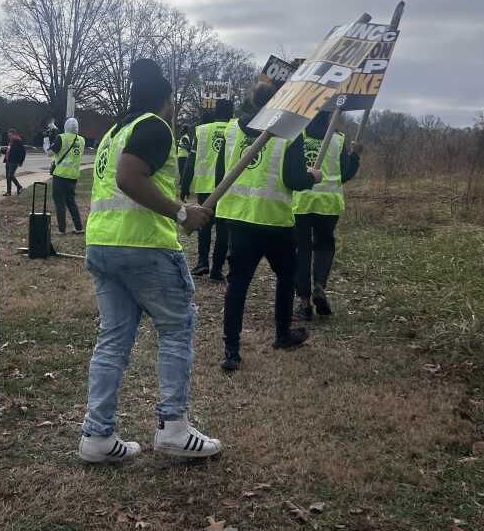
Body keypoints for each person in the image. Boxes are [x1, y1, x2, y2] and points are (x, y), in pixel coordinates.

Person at [79, 59, 221, 464]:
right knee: (176, 329)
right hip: (145, 248)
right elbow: (128, 177)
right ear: (166, 98)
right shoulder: (155, 127)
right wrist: (180, 213)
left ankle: (97, 436)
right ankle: (174, 427)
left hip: (103, 247)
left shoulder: (114, 131)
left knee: (113, 340)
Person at [212, 82, 322, 373]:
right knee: (287, 275)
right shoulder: (290, 132)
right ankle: (283, 334)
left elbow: (221, 175)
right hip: (273, 221)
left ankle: (231, 351)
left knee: (237, 286)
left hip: (237, 220)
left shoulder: (232, 130)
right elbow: (294, 180)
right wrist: (313, 176)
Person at [293, 110, 362, 321]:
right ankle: (319, 286)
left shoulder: (297, 136)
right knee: (324, 246)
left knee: (301, 251)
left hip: (301, 203)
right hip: (328, 204)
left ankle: (304, 304)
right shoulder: (338, 140)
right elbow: (345, 174)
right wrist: (355, 156)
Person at [184, 100, 234, 283]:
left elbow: (192, 158)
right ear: (232, 113)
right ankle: (217, 269)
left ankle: (202, 262)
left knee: (204, 226)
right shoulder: (236, 130)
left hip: (205, 185)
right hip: (226, 187)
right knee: (223, 230)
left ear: (215, 112)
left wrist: (185, 183)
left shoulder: (203, 130)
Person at [48, 117, 85, 234]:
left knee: (59, 202)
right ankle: (79, 227)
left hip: (60, 175)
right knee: (71, 201)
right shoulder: (82, 140)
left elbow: (49, 153)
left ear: (66, 127)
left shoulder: (61, 138)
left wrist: (48, 139)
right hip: (73, 175)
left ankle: (61, 229)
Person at [4, 130, 26, 196]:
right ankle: (8, 192)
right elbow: (9, 150)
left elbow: (23, 152)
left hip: (14, 162)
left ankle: (19, 187)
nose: (9, 137)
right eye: (8, 136)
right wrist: (2, 150)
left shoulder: (18, 141)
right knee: (8, 177)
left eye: (10, 135)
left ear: (14, 134)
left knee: (10, 175)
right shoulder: (11, 141)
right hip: (8, 161)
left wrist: (21, 161)